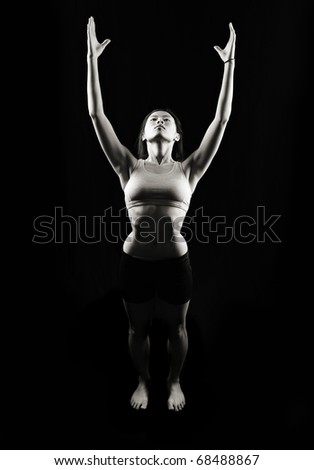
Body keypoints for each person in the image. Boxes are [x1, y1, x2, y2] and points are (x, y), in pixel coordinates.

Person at [87, 16, 236, 411]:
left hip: (174, 263)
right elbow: (96, 117)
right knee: (137, 328)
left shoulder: (189, 168)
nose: (160, 120)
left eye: (166, 120)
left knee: (177, 328)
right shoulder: (127, 166)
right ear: (143, 135)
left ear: (176, 136)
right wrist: (91, 58)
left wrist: (229, 65)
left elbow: (221, 120)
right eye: (153, 118)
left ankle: (173, 381)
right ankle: (141, 379)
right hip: (134, 262)